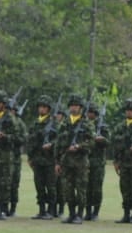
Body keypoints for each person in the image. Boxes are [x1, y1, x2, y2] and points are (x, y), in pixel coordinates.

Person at [56, 96, 92, 224]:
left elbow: (91, 142)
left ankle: (79, 215)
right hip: (66, 161)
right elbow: (58, 143)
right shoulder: (65, 124)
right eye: (71, 105)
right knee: (67, 189)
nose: (73, 108)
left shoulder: (87, 124)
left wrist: (79, 146)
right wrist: (57, 162)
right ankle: (71, 213)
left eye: (76, 106)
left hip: (80, 162)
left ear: (81, 108)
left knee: (81, 189)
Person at [27, 97, 60, 219]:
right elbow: (30, 141)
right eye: (40, 106)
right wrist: (30, 157)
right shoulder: (35, 123)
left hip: (49, 160)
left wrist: (51, 145)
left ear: (49, 109)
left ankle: (51, 211)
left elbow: (60, 139)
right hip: (37, 160)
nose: (42, 109)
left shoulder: (54, 123)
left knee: (50, 186)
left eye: (44, 107)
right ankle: (41, 210)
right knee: (39, 185)